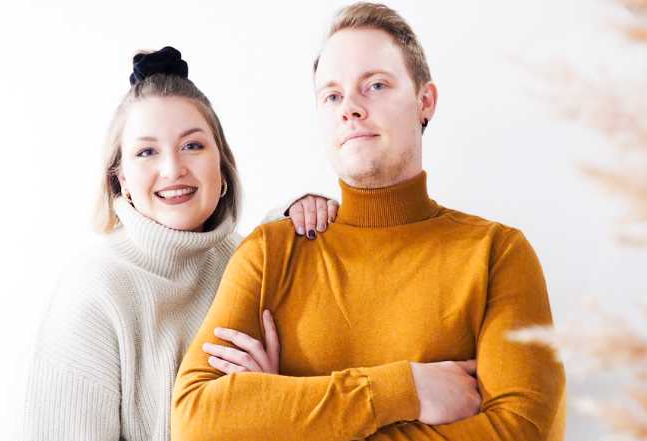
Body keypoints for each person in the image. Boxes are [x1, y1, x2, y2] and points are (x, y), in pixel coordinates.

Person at [171, 3, 566, 441]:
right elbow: (195, 421)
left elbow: (521, 431)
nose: (351, 108)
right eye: (332, 96)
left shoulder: (498, 254)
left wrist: (285, 416)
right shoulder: (269, 253)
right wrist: (404, 389)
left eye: (375, 85)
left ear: (425, 102)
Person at [18, 47, 338, 441]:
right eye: (147, 152)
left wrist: (269, 401)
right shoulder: (93, 289)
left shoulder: (249, 263)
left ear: (222, 168)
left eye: (192, 146)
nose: (172, 169)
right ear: (122, 180)